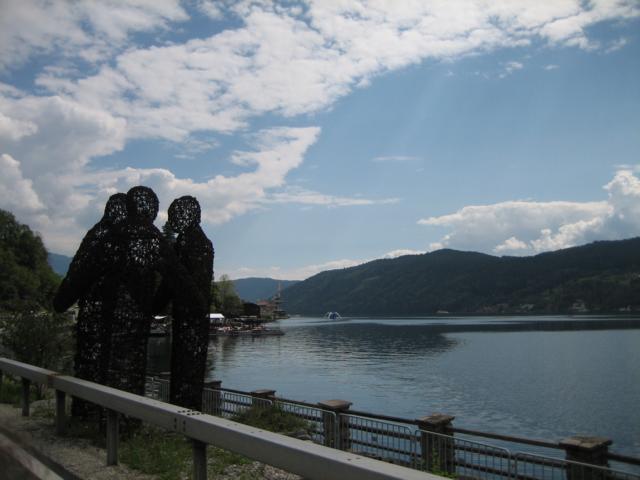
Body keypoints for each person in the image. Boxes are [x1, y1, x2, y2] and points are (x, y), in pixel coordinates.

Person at [54, 193, 127, 417]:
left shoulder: (97, 237)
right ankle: (103, 416)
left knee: (91, 369)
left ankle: (87, 414)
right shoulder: (121, 241)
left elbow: (76, 276)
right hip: (115, 330)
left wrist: (61, 302)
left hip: (95, 325)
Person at [162, 196, 213, 410]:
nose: (172, 220)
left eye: (174, 215)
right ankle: (190, 412)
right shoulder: (204, 242)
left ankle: (182, 414)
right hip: (197, 318)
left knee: (184, 368)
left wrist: (152, 306)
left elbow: (173, 280)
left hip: (187, 317)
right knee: (191, 370)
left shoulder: (185, 243)